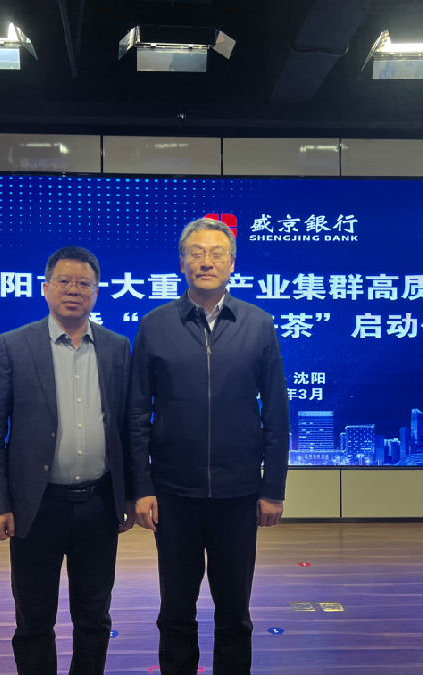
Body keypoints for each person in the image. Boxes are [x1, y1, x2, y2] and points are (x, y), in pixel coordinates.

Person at [128, 218, 290, 675]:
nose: (206, 261)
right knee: (175, 612)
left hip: (239, 494)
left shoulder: (258, 324)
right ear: (181, 262)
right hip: (173, 495)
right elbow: (136, 415)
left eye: (217, 253)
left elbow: (276, 413)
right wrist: (143, 487)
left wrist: (272, 489)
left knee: (235, 613)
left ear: (232, 263)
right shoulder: (155, 325)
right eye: (196, 252)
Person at [0, 245, 134, 675]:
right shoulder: (13, 346)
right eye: (64, 281)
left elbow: (128, 428)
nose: (73, 290)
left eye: (84, 283)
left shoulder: (118, 348)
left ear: (96, 292)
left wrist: (131, 494)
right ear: (45, 288)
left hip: (98, 505)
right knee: (33, 619)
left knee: (94, 616)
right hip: (36, 506)